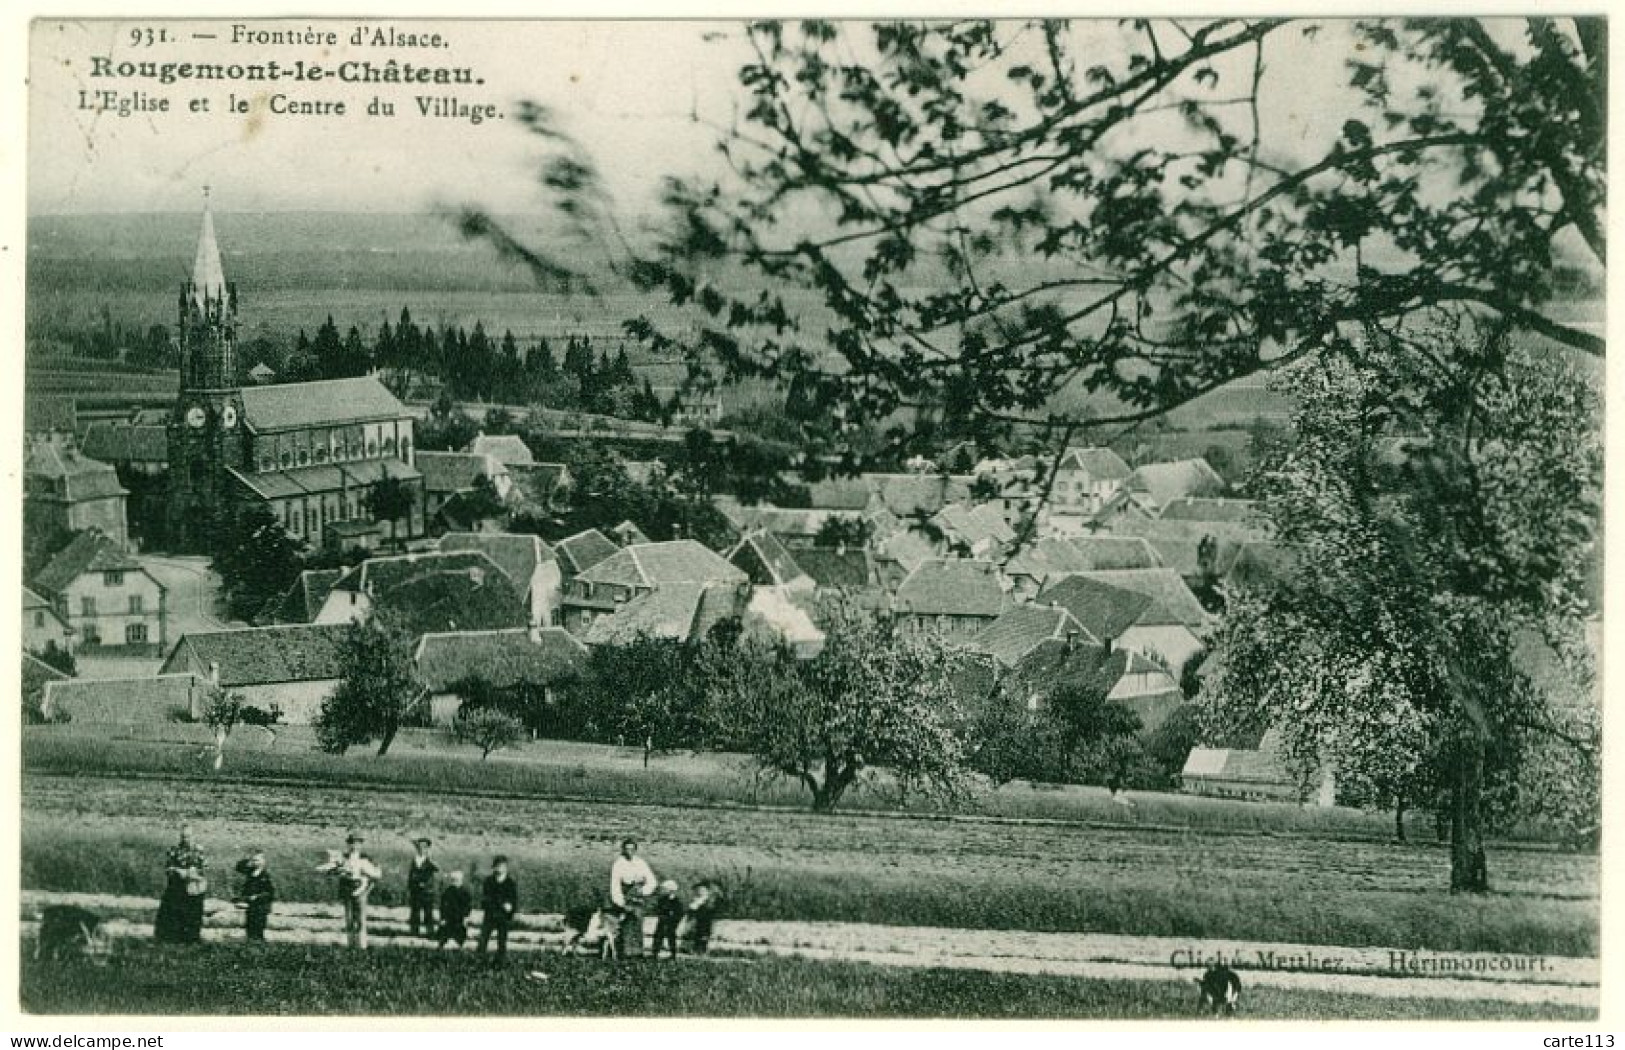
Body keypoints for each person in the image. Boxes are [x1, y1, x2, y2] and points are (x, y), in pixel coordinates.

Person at [316, 832, 382, 949]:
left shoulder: (365, 858)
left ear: (361, 845)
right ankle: (351, 943)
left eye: (357, 843)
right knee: (349, 917)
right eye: (352, 843)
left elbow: (376, 874)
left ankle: (361, 945)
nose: (354, 846)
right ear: (348, 844)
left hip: (360, 888)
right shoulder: (343, 857)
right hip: (347, 888)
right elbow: (331, 867)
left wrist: (367, 888)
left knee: (360, 918)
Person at [154, 825, 207, 944]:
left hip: (193, 887)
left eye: (188, 836)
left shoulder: (199, 850)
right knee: (173, 912)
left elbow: (204, 868)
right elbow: (168, 868)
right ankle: (171, 939)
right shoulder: (174, 850)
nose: (185, 839)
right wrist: (178, 871)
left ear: (194, 836)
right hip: (177, 886)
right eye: (183, 837)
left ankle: (191, 940)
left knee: (193, 914)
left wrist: (194, 872)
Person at [608, 838, 657, 959]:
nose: (629, 851)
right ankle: (625, 952)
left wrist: (643, 890)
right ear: (623, 850)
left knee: (638, 922)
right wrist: (620, 902)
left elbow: (652, 881)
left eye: (632, 849)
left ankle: (637, 952)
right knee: (625, 924)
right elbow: (615, 885)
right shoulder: (619, 864)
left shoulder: (640, 863)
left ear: (635, 850)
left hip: (638, 898)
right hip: (625, 897)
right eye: (627, 849)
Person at [478, 856, 518, 961]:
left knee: (501, 940)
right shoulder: (489, 881)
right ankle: (480, 960)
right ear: (494, 868)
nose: (499, 868)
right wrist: (499, 904)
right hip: (490, 914)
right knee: (483, 939)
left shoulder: (510, 883)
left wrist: (510, 909)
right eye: (497, 866)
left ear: (506, 868)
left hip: (503, 916)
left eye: (502, 866)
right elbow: (485, 899)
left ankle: (500, 961)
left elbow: (513, 900)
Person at [233, 850, 276, 942]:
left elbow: (270, 893)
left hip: (261, 906)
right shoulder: (251, 871)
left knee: (259, 928)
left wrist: (258, 897)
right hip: (251, 905)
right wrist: (247, 859)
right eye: (254, 860)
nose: (255, 862)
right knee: (250, 926)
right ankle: (251, 943)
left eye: (257, 860)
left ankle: (259, 945)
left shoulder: (266, 875)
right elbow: (238, 867)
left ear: (263, 861)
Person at [406, 837, 439, 939]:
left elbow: (437, 869)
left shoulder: (429, 861)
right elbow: (411, 875)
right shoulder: (414, 860)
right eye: (420, 847)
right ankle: (414, 932)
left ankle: (430, 932)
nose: (421, 849)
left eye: (424, 847)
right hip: (415, 891)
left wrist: (430, 859)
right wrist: (410, 888)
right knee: (415, 912)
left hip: (427, 892)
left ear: (427, 848)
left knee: (428, 912)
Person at [683, 880, 721, 956]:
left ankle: (702, 951)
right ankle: (696, 950)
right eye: (699, 890)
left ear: (707, 891)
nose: (700, 892)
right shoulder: (697, 901)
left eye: (703, 890)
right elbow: (691, 910)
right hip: (697, 922)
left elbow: (712, 910)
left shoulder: (709, 901)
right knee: (697, 935)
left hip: (705, 922)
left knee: (704, 936)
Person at [437, 870, 473, 949]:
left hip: (460, 917)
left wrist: (466, 917)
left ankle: (458, 943)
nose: (455, 882)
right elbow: (443, 906)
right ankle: (443, 943)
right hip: (449, 917)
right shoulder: (448, 892)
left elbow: (468, 906)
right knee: (443, 931)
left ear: (461, 881)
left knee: (460, 930)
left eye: (457, 880)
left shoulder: (465, 893)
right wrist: (443, 918)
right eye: (453, 880)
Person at [650, 879, 683, 960]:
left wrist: (675, 918)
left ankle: (673, 954)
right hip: (662, 919)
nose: (663, 890)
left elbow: (679, 912)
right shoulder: (662, 900)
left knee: (671, 936)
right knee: (658, 935)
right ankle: (655, 953)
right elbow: (658, 909)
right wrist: (661, 914)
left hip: (672, 921)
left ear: (671, 890)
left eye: (665, 889)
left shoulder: (677, 901)